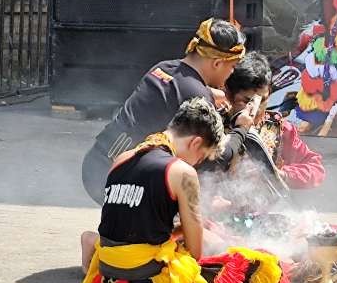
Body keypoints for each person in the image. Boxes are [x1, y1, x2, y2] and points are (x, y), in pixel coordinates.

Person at [79, 97, 219, 283]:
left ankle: (91, 240)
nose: (197, 164)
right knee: (252, 271)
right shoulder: (183, 172)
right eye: (201, 157)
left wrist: (176, 231)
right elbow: (195, 253)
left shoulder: (122, 158)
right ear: (195, 143)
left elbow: (128, 222)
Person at [80, 18, 247, 204]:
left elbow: (179, 88)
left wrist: (209, 93)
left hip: (96, 163)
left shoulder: (163, 67)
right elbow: (216, 156)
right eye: (232, 66)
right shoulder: (196, 95)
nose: (232, 73)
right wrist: (241, 128)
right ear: (216, 63)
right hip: (116, 181)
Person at [223, 53, 324, 190]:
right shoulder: (213, 124)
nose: (256, 109)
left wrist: (280, 174)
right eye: (246, 101)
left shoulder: (279, 127)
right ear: (229, 95)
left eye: (263, 100)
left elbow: (315, 168)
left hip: (267, 209)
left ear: (269, 92)